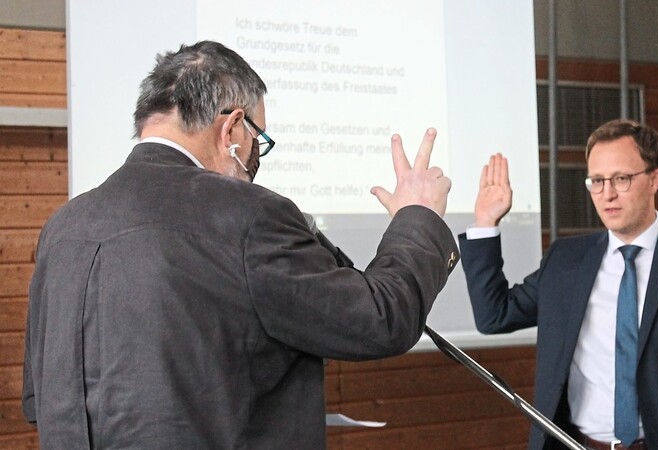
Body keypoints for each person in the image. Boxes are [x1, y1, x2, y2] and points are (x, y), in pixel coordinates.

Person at [22, 40, 459, 449]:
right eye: (259, 141)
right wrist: (416, 215)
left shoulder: (63, 227)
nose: (256, 159)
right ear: (232, 127)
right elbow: (380, 319)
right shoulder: (249, 216)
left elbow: (39, 398)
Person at [459, 119, 658, 450]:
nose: (607, 194)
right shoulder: (566, 260)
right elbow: (494, 315)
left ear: (655, 179)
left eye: (622, 179)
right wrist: (486, 223)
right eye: (597, 181)